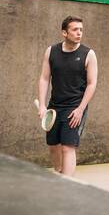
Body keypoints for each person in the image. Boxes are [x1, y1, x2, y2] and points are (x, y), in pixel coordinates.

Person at [36, 16, 97, 177]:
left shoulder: (88, 54)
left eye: (81, 30)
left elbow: (92, 84)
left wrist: (80, 109)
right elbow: (44, 78)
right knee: (53, 145)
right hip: (54, 106)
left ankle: (67, 183)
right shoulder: (51, 51)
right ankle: (59, 172)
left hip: (75, 107)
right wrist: (42, 105)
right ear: (64, 32)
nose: (79, 33)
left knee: (68, 147)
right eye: (75, 29)